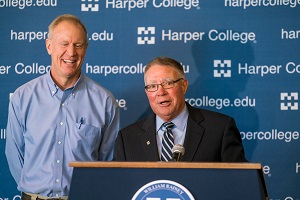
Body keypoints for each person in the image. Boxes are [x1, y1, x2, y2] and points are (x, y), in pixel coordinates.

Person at [5, 14, 119, 199]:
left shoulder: (105, 102)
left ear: (86, 48)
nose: (71, 52)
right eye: (64, 44)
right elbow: (15, 155)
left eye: (78, 45)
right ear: (49, 46)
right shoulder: (22, 97)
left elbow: (106, 164)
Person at [113, 56, 247, 162]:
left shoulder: (220, 129)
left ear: (184, 86)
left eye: (168, 83)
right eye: (152, 86)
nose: (161, 92)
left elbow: (239, 183)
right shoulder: (127, 138)